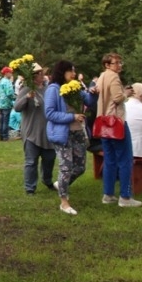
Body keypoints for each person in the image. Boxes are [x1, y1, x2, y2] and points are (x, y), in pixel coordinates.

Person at [44, 60, 96, 215]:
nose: (74, 74)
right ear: (62, 72)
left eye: (74, 71)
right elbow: (49, 113)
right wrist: (71, 117)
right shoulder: (53, 89)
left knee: (80, 167)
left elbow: (89, 102)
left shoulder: (75, 87)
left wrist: (94, 93)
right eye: (71, 71)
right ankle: (64, 202)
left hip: (78, 132)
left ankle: (60, 184)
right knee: (66, 166)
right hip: (62, 134)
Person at [95, 53, 142, 208]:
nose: (119, 65)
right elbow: (117, 98)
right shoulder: (114, 77)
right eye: (116, 63)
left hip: (103, 122)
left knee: (109, 159)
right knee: (125, 159)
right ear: (107, 65)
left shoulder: (102, 76)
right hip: (115, 122)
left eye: (120, 62)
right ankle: (125, 197)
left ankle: (108, 194)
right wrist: (126, 93)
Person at [14, 63, 55, 195]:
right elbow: (17, 108)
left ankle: (47, 180)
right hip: (32, 131)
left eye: (42, 73)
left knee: (49, 158)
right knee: (31, 161)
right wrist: (26, 98)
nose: (42, 76)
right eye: (39, 74)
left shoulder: (47, 89)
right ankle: (30, 188)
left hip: (47, 131)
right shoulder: (25, 89)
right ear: (33, 76)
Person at [0, 67, 16, 142]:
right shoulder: (7, 82)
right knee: (6, 120)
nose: (11, 74)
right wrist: (15, 98)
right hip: (7, 103)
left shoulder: (1, 81)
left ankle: (1, 136)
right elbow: (9, 93)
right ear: (6, 73)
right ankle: (5, 136)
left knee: (1, 120)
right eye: (10, 72)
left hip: (1, 103)